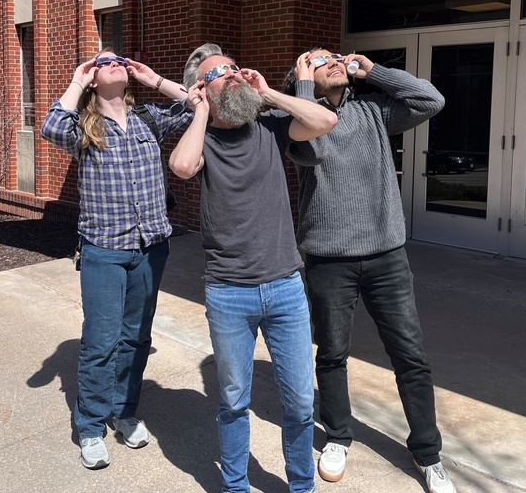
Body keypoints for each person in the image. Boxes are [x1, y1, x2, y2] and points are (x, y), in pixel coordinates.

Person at [282, 48, 455, 493]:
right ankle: (338, 436)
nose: (332, 63)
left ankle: (428, 454)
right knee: (333, 354)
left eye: (334, 57)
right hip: (328, 260)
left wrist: (374, 70)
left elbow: (431, 100)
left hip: (386, 258)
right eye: (318, 62)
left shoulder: (374, 112)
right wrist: (303, 84)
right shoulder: (298, 121)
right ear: (303, 77)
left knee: (410, 357)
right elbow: (305, 139)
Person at [169, 43, 337, 493]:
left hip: (284, 287)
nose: (231, 74)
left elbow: (325, 121)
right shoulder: (200, 138)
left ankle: (302, 486)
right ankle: (237, 486)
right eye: (217, 73)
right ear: (201, 90)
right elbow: (183, 167)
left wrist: (269, 93)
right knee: (232, 402)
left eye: (232, 68)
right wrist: (200, 110)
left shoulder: (270, 125)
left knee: (301, 402)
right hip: (229, 293)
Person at [40, 47, 193, 469]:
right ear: (92, 77)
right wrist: (77, 79)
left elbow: (197, 102)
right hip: (104, 251)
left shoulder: (148, 118)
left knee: (136, 338)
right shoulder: (83, 127)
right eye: (104, 61)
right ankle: (90, 426)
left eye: (121, 61)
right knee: (100, 343)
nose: (116, 63)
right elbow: (50, 126)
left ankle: (124, 411)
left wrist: (154, 79)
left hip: (151, 248)